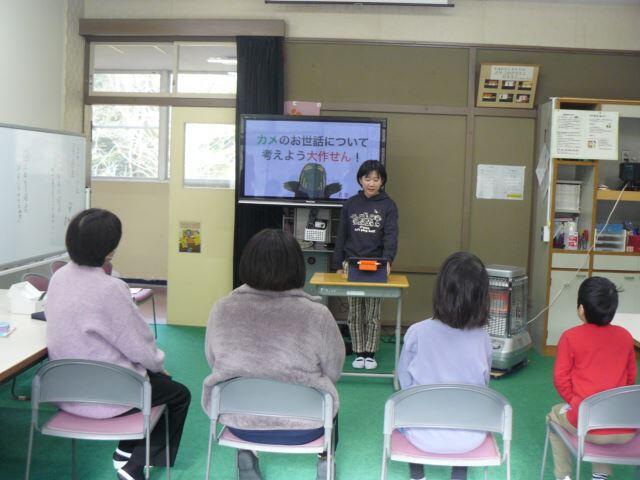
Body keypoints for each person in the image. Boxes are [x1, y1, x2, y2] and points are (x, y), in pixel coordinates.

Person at [45, 208, 191, 480]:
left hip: (64, 390)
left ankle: (125, 453)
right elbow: (140, 346)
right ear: (110, 251)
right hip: (111, 395)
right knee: (178, 394)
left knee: (157, 384)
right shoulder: (110, 288)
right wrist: (158, 367)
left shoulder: (59, 278)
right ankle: (134, 463)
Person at [202, 228, 345, 480]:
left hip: (239, 422)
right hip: (307, 425)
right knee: (328, 399)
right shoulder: (317, 314)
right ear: (298, 267)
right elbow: (334, 371)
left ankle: (246, 452)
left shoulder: (222, 308)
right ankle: (325, 458)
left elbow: (213, 360)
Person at [397, 252, 492, 480]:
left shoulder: (417, 332)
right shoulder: (484, 339)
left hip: (420, 433)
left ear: (440, 291)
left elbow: (404, 383)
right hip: (471, 437)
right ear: (482, 297)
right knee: (470, 406)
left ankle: (417, 474)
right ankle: (459, 474)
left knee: (402, 407)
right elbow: (483, 384)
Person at [548, 276, 637, 480]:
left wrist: (575, 402)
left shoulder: (570, 337)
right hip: (626, 427)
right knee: (601, 411)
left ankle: (563, 476)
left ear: (581, 309)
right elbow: (631, 377)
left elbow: (560, 379)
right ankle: (600, 474)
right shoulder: (625, 336)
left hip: (589, 426)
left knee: (553, 416)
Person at [332, 160, 398, 370]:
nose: (371, 183)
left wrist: (388, 260)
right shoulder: (350, 204)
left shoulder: (388, 205)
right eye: (367, 178)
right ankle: (359, 351)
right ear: (360, 180)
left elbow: (391, 236)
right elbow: (341, 235)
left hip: (376, 264)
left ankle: (370, 353)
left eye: (376, 179)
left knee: (373, 313)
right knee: (354, 312)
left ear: (382, 181)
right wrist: (338, 264)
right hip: (352, 263)